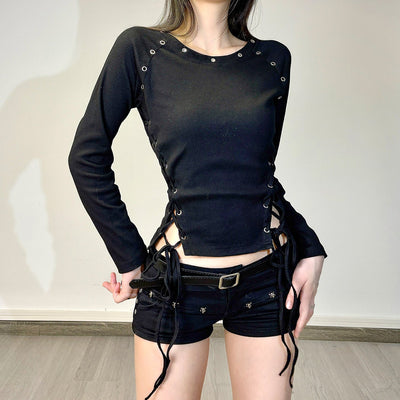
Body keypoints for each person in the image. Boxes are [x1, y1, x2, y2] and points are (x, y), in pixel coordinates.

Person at [68, 1, 328, 399]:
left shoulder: (273, 59)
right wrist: (130, 258)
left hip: (267, 280)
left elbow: (256, 175)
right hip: (177, 286)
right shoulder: (140, 50)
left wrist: (309, 246)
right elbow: (86, 158)